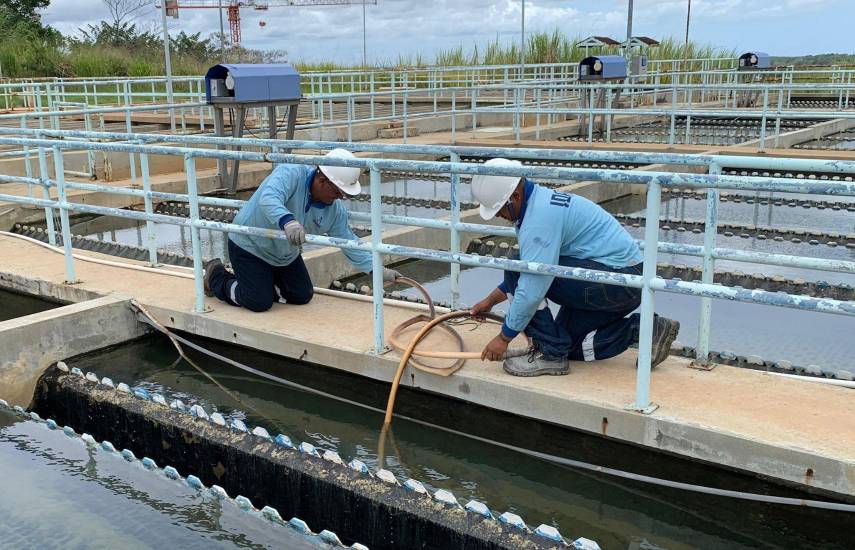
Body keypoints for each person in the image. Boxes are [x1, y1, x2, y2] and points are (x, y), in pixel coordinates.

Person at [469, 158, 680, 377]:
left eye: (499, 209)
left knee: (518, 266)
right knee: (568, 345)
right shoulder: (540, 203)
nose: (498, 216)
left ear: (515, 197)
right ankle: (644, 330)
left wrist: (504, 338)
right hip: (623, 282)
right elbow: (529, 273)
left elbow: (531, 286)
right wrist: (490, 301)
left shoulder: (539, 219)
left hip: (615, 282)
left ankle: (550, 355)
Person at [203, 148, 400, 312]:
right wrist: (287, 221)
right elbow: (269, 197)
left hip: (283, 255)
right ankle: (217, 277)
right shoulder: (291, 173)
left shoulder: (334, 210)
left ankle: (259, 282)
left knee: (302, 295)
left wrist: (376, 269)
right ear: (322, 180)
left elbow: (347, 240)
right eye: (338, 191)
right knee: (257, 302)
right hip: (250, 245)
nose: (341, 198)